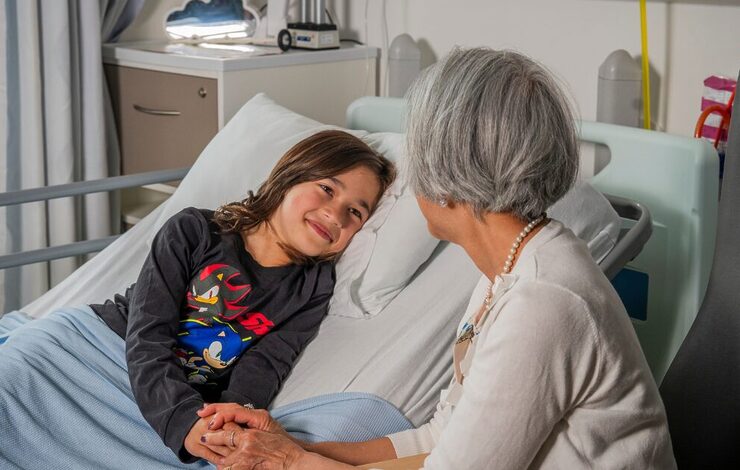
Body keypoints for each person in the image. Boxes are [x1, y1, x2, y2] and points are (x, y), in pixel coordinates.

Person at [195, 48, 677, 469]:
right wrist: (292, 446)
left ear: (448, 178)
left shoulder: (543, 305)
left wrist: (295, 464)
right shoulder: (509, 267)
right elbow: (440, 440)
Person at [89, 129, 396, 464]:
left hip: (184, 402)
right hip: (105, 351)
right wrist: (184, 420)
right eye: (327, 189)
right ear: (290, 176)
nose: (335, 215)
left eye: (355, 212)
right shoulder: (194, 231)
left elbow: (264, 366)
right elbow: (148, 334)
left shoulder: (312, 288)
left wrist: (232, 427)